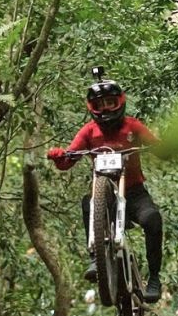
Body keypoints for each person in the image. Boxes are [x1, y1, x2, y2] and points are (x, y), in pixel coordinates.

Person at [46, 68, 165, 303]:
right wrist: (60, 156)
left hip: (134, 193)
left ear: (120, 102)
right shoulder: (89, 131)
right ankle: (95, 256)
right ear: (92, 109)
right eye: (100, 106)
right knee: (88, 204)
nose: (106, 109)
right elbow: (69, 158)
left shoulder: (133, 126)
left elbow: (158, 147)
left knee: (153, 219)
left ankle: (154, 278)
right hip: (104, 192)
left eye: (111, 103)